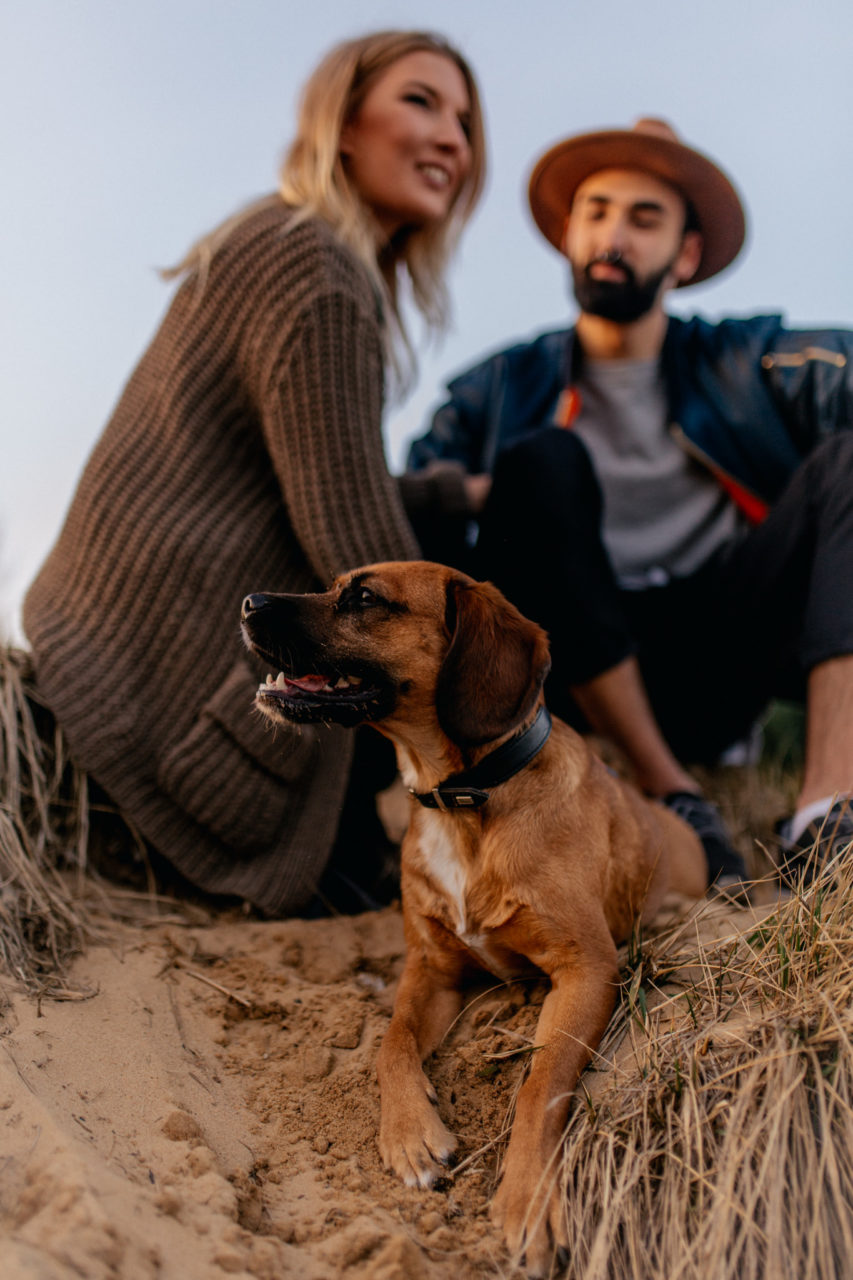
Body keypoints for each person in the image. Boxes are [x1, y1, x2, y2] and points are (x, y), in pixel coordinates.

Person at [21, 30, 486, 916]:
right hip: (157, 709)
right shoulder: (316, 272)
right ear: (342, 124)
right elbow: (359, 549)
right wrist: (499, 705)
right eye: (421, 102)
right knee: (437, 605)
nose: (454, 143)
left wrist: (447, 493)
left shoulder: (280, 242)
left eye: (465, 122)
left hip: (107, 656)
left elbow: (298, 480)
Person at [408, 118, 853, 893]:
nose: (613, 234)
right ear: (567, 235)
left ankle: (824, 813)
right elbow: (395, 516)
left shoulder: (747, 361)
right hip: (568, 672)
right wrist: (488, 491)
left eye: (643, 219)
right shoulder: (495, 390)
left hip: (718, 652)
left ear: (683, 255)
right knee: (542, 460)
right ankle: (670, 789)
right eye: (597, 211)